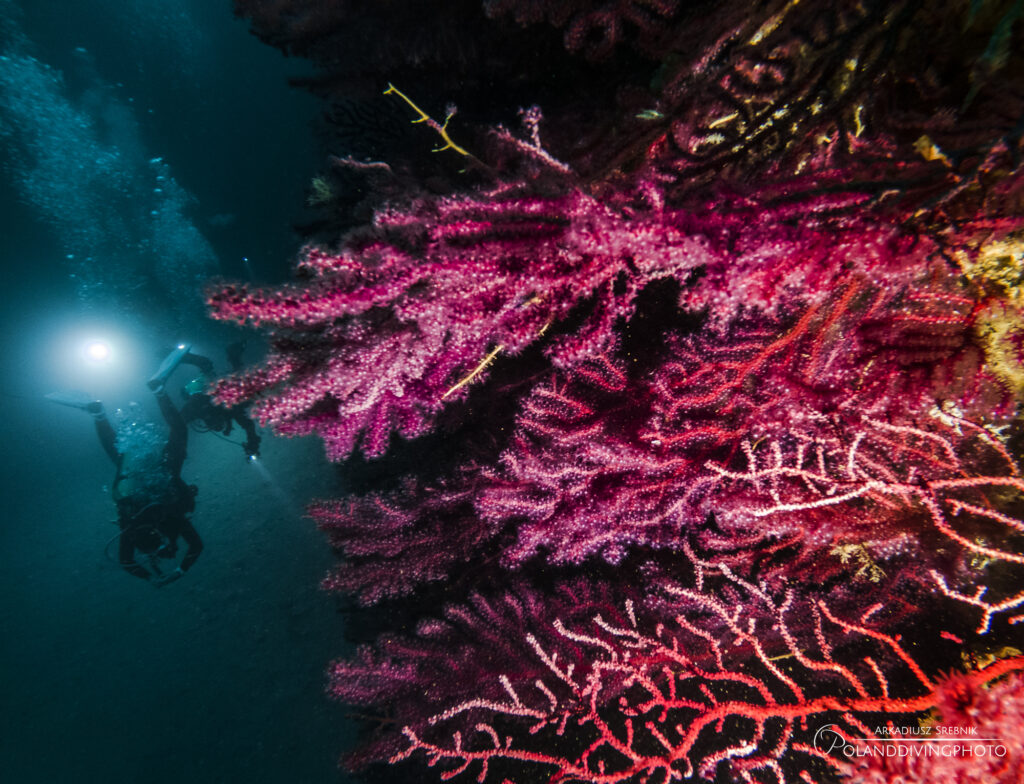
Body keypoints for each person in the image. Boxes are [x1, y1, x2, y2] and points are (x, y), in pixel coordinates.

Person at [47, 345, 203, 585]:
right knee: (121, 458)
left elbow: (195, 546)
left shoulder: (163, 521)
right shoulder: (134, 529)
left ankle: (158, 390)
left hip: (160, 478)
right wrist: (157, 576)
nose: (166, 552)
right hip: (134, 487)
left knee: (174, 434)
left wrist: (172, 573)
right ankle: (98, 414)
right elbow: (127, 562)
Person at [175, 343, 261, 459]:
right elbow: (248, 426)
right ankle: (233, 356)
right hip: (213, 390)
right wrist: (253, 444)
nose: (218, 423)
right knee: (240, 381)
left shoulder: (199, 409)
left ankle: (232, 356)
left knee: (207, 366)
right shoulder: (222, 409)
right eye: (219, 423)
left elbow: (178, 422)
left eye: (216, 424)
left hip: (211, 391)